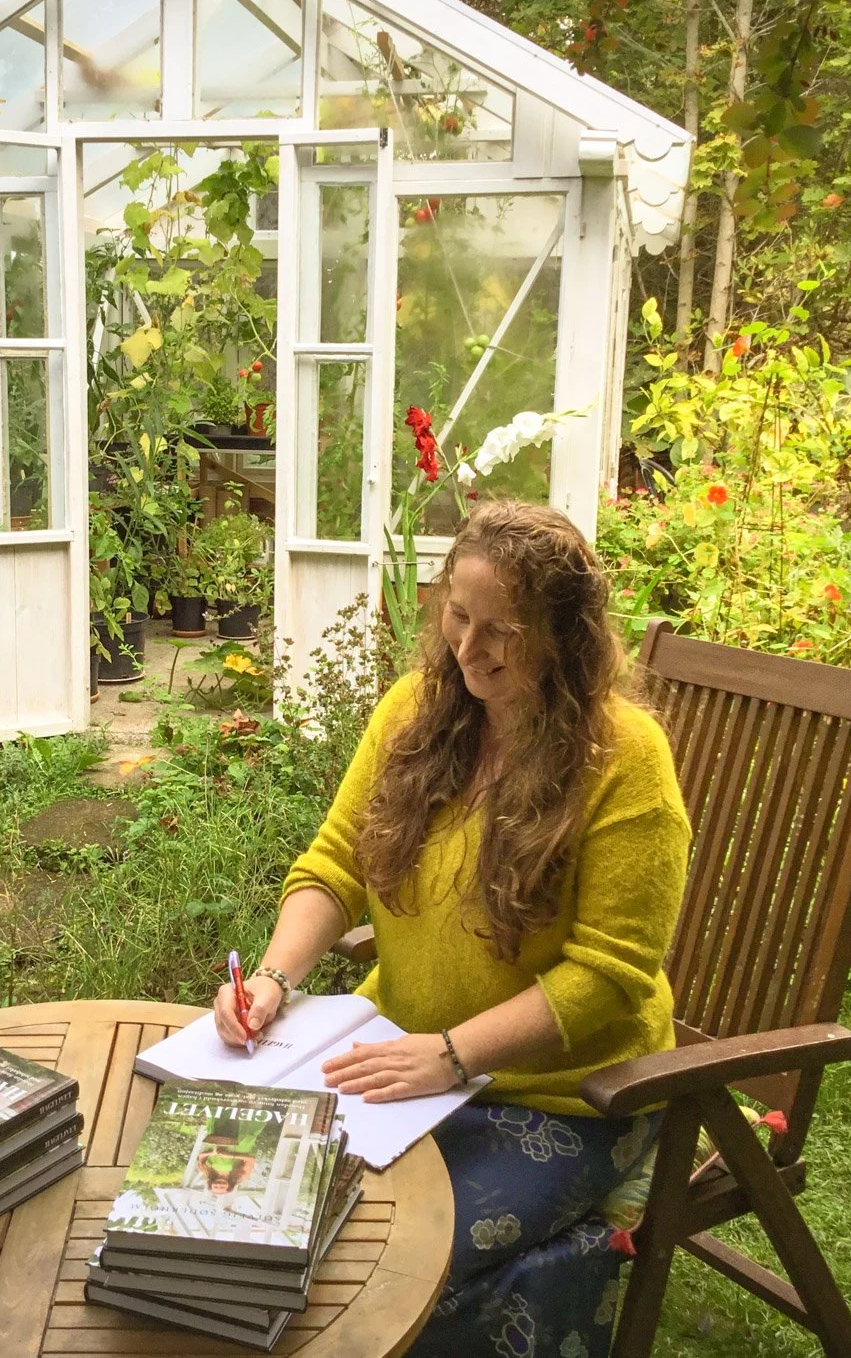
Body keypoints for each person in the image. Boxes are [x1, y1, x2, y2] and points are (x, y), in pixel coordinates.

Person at [213, 501, 691, 1355]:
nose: (468, 651)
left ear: (565, 634)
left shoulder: (625, 760)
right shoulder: (417, 709)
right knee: (256, 1216)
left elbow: (608, 974)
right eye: (457, 617)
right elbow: (337, 863)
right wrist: (274, 981)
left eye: (501, 631)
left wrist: (453, 1053)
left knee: (387, 1267)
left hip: (570, 1096)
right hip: (399, 1063)